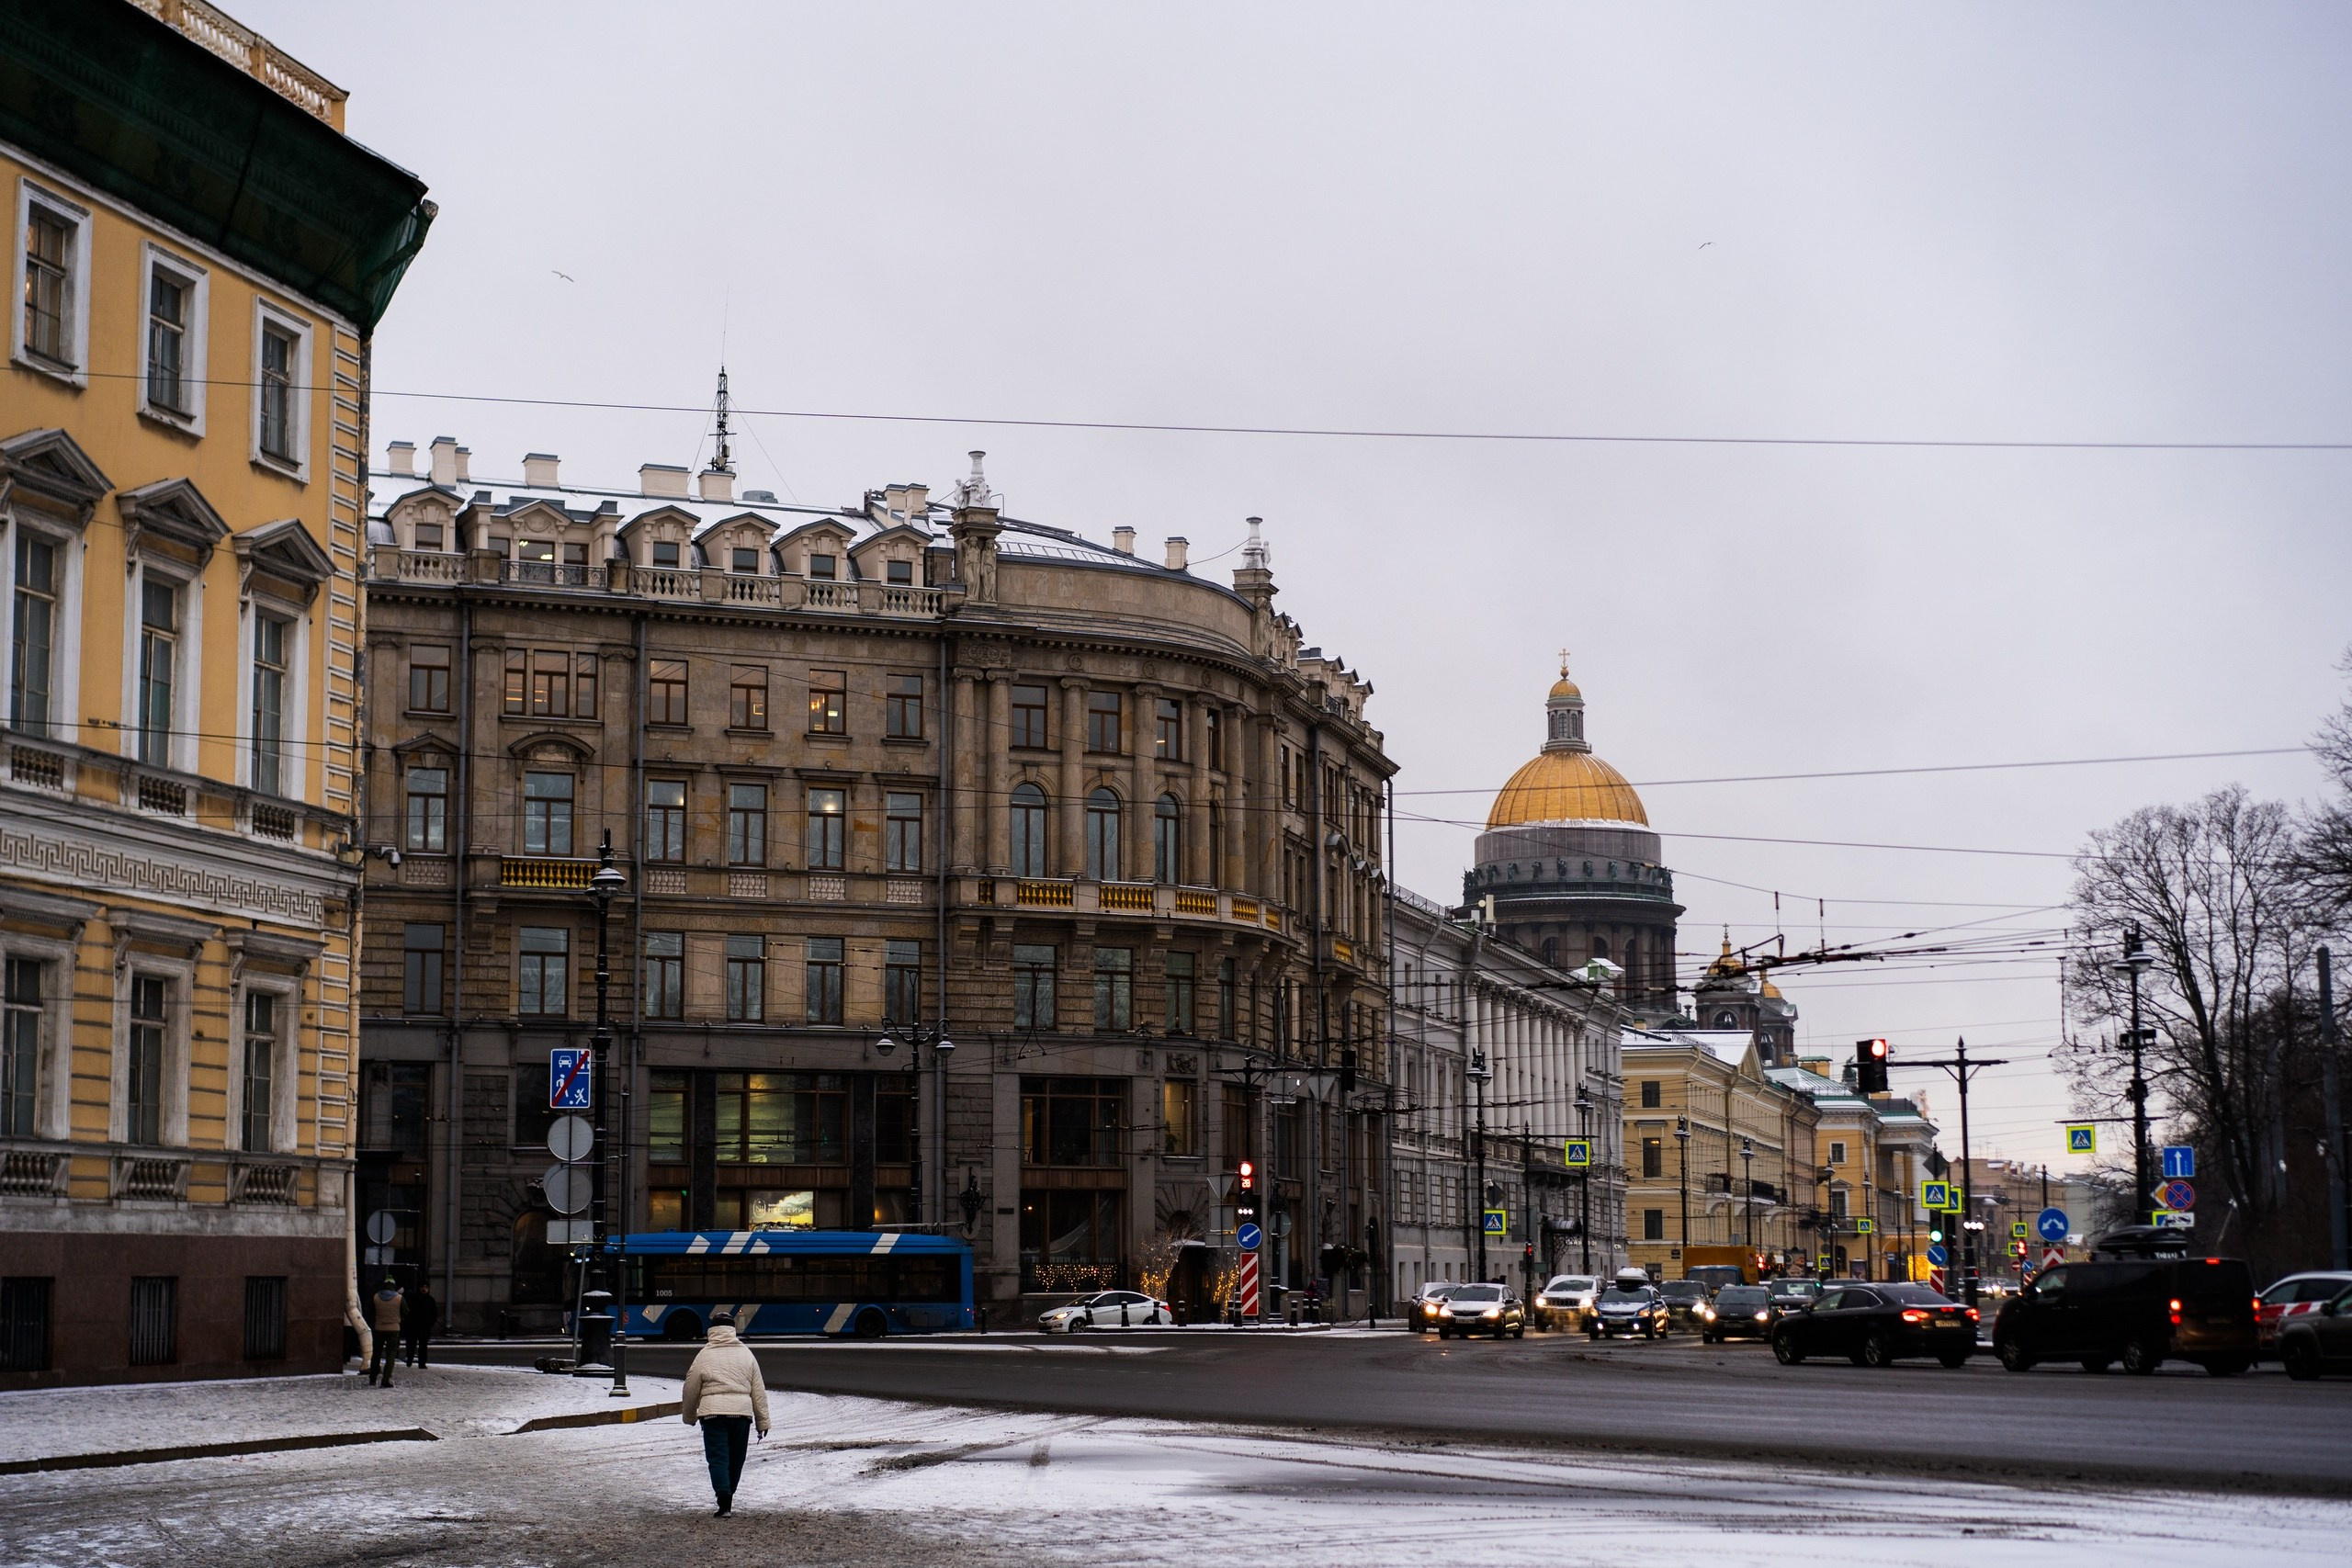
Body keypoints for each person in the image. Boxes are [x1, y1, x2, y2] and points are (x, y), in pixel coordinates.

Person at [680, 1310, 768, 1517]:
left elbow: (690, 1387)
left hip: (713, 1415)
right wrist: (763, 1421)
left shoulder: (705, 1354)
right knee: (737, 1458)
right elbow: (758, 1389)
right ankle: (730, 1494)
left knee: (718, 1457)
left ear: (712, 1330)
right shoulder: (746, 1353)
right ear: (732, 1330)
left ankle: (724, 1500)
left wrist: (690, 1416)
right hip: (741, 1416)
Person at [366, 1276, 404, 1388]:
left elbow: (370, 1312)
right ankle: (385, 1379)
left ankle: (372, 1379)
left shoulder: (376, 1297)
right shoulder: (399, 1298)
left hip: (379, 1329)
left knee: (376, 1354)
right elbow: (405, 1312)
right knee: (391, 1355)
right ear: (393, 1285)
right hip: (394, 1330)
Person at [401, 1280, 440, 1369]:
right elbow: (408, 1312)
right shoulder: (413, 1299)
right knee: (411, 1344)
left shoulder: (430, 1300)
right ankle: (410, 1359)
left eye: (426, 1287)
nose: (424, 1289)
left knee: (423, 1346)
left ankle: (422, 1363)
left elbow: (434, 1313)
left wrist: (431, 1323)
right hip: (413, 1326)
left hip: (425, 1327)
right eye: (423, 1287)